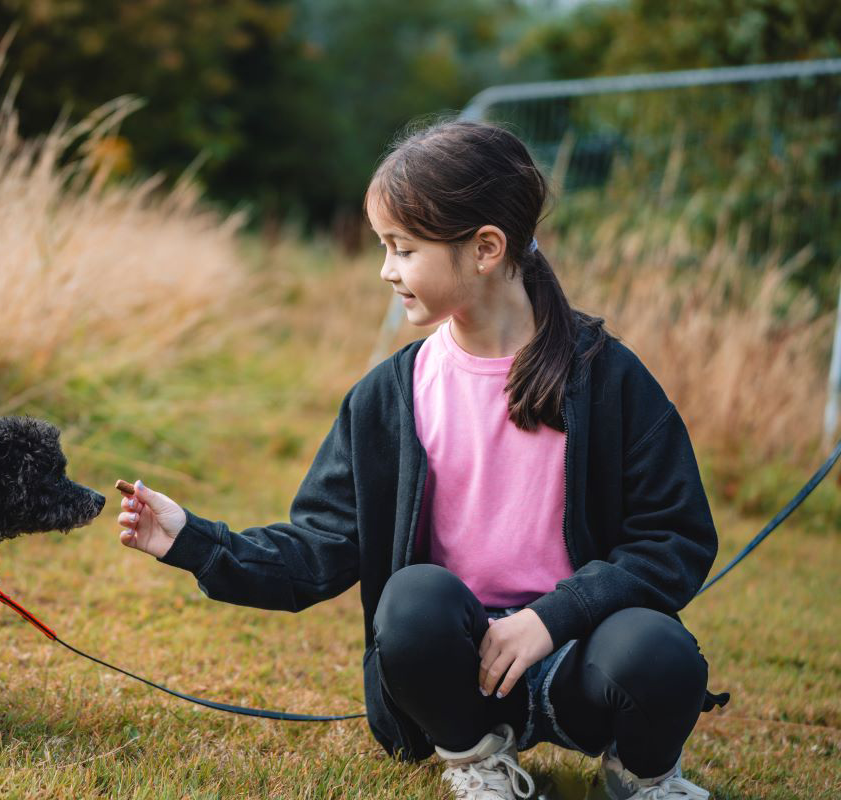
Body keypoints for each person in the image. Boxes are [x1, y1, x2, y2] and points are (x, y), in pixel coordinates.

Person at [115, 119, 728, 800]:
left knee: (661, 652)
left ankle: (643, 776)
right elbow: (318, 548)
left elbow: (674, 539)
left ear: (485, 249)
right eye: (386, 247)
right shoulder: (387, 398)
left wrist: (552, 617)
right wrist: (195, 542)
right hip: (453, 674)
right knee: (411, 602)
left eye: (402, 249)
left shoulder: (608, 379)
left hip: (581, 659)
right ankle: (476, 760)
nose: (386, 270)